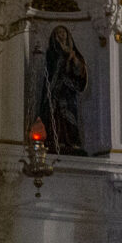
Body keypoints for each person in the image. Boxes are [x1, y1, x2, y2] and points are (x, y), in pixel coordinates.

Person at [38, 25, 92, 154]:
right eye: (58, 33)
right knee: (56, 114)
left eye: (63, 32)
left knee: (69, 114)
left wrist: (73, 59)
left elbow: (79, 72)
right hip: (56, 89)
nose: (61, 35)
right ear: (55, 36)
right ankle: (55, 140)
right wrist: (63, 60)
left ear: (67, 34)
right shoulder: (53, 52)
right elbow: (51, 70)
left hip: (69, 90)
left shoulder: (73, 52)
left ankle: (71, 142)